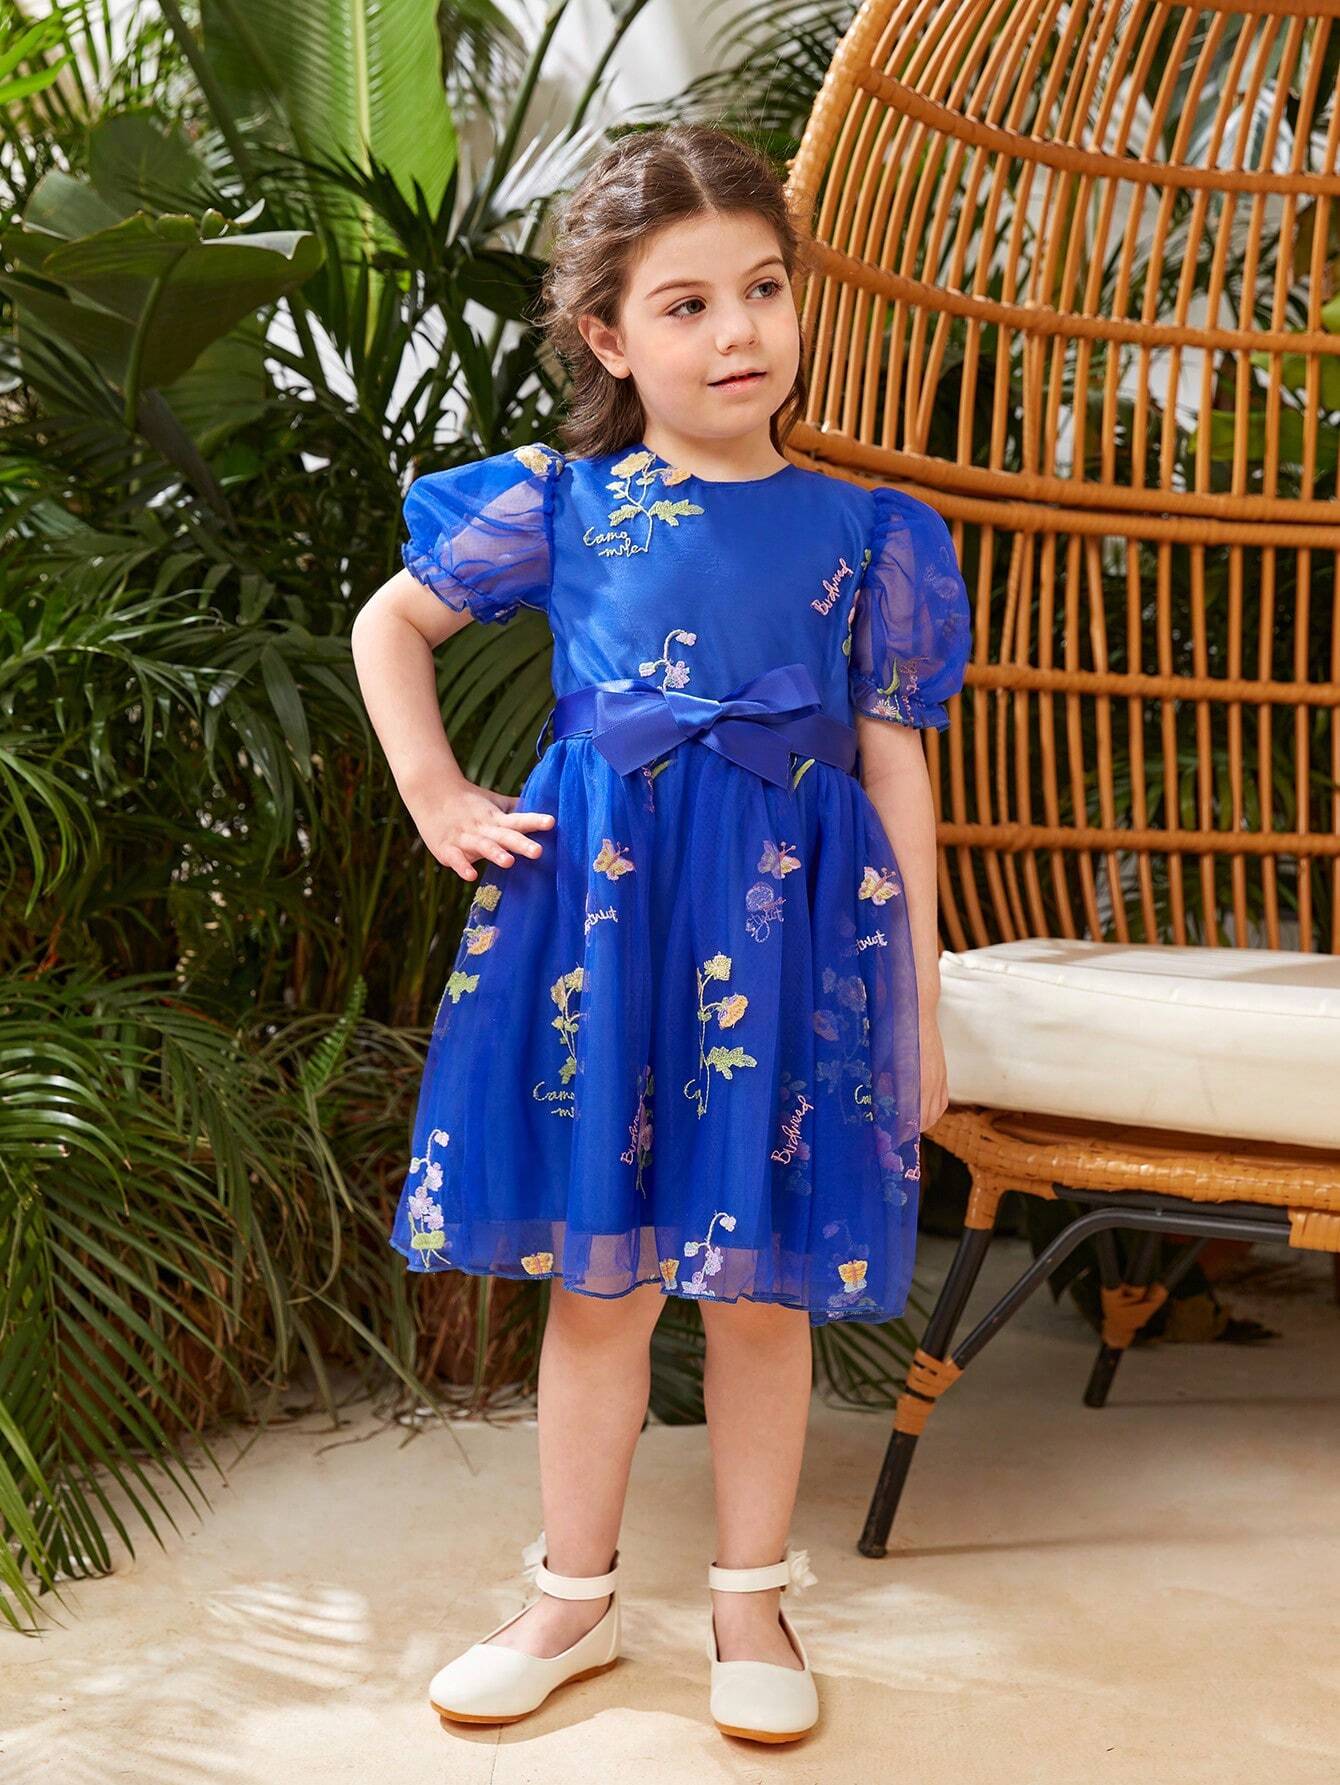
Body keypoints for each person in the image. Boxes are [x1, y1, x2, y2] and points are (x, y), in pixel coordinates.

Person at [351, 121, 972, 1744]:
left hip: (786, 951)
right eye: (687, 305)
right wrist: (437, 795)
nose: (738, 332)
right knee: (602, 1287)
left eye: (763, 289)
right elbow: (390, 623)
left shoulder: (866, 534)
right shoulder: (565, 504)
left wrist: (916, 996)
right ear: (611, 338)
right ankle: (571, 1598)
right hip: (606, 935)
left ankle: (750, 1597)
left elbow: (896, 766)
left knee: (760, 1293)